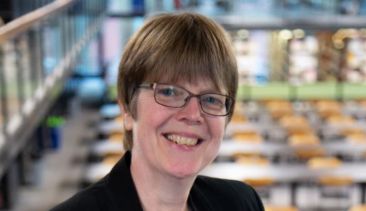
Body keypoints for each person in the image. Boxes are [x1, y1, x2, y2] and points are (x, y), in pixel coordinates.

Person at [51, 12, 264, 211]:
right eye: (169, 92)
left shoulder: (241, 203)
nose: (192, 115)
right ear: (126, 109)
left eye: (210, 99)